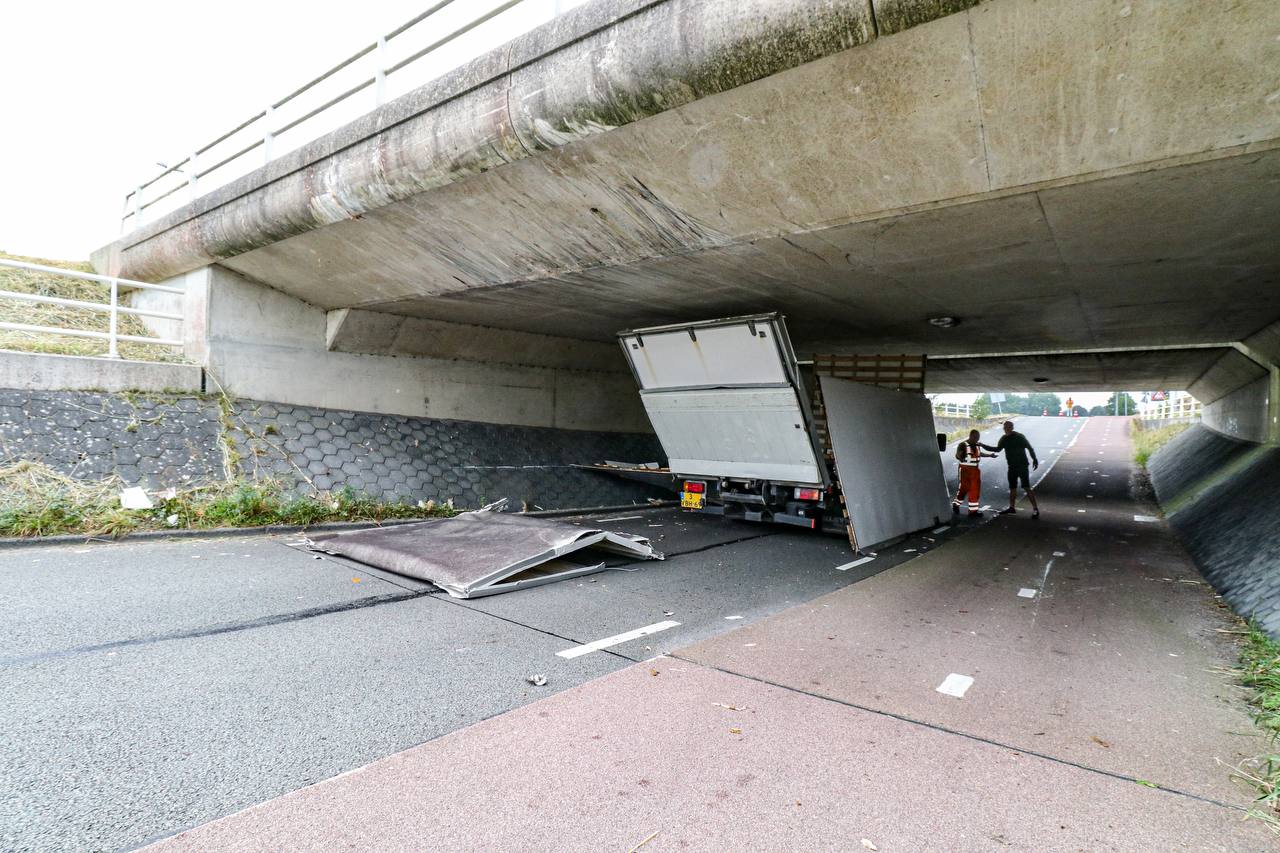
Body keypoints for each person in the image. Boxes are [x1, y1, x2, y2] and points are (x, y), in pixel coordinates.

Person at [995, 420, 1040, 518]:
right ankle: (1012, 508)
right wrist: (982, 446)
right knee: (1012, 487)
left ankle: (1035, 509)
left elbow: (1029, 448)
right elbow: (997, 449)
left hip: (1022, 466)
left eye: (1007, 427)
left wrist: (1034, 459)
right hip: (1011, 466)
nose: (1006, 429)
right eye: (1004, 428)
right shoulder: (1004, 438)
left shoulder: (1020, 437)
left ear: (1012, 428)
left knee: (1026, 486)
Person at [953, 429, 998, 517]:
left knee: (974, 490)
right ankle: (956, 504)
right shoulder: (963, 445)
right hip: (965, 469)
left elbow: (979, 454)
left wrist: (990, 455)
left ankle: (973, 512)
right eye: (975, 437)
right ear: (970, 436)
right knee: (964, 488)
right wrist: (959, 456)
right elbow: (958, 454)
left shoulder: (977, 445)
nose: (977, 439)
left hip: (975, 470)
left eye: (978, 437)